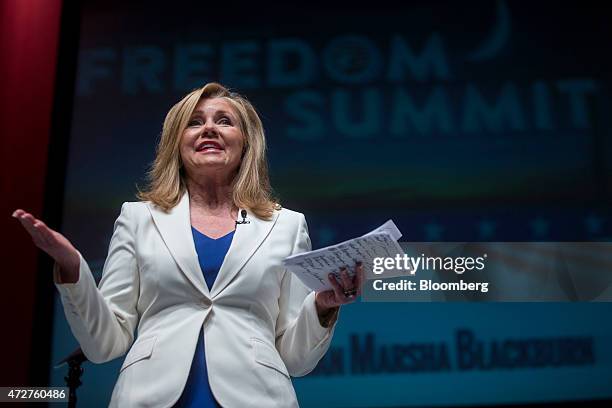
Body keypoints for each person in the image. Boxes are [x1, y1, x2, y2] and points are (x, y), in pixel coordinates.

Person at [12, 82, 362, 407]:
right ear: (177, 144)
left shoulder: (286, 225)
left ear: (246, 144)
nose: (209, 128)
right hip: (149, 396)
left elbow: (295, 359)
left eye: (224, 121)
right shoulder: (138, 218)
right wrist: (72, 267)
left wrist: (322, 306)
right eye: (194, 122)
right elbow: (105, 344)